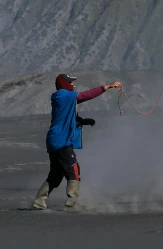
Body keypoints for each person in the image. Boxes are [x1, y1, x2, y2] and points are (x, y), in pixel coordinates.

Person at [31, 73, 122, 210]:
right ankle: (73, 200)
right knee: (74, 170)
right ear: (64, 84)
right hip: (61, 141)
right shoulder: (63, 95)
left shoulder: (61, 98)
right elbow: (86, 95)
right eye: (70, 82)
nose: (73, 85)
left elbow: (66, 117)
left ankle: (39, 201)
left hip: (54, 141)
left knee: (56, 174)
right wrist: (108, 86)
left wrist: (83, 121)